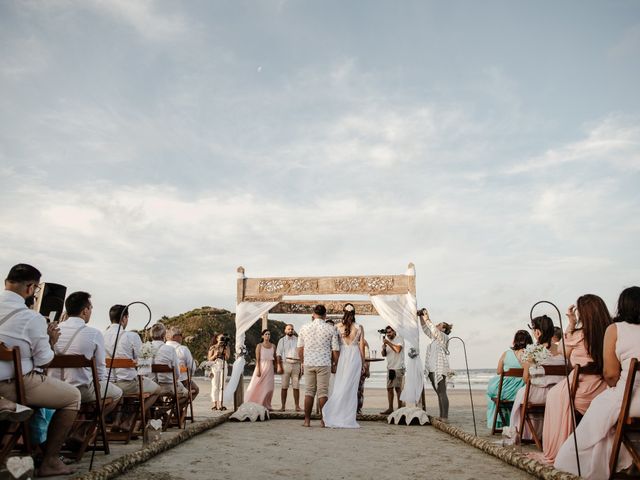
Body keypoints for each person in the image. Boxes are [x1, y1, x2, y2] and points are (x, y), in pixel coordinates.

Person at [0, 263, 80, 476]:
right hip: (11, 385)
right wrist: (51, 340)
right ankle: (50, 461)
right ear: (30, 288)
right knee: (73, 397)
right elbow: (44, 361)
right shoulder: (31, 318)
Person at [555, 286, 640, 478]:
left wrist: (615, 390)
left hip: (631, 400)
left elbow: (610, 374)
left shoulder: (616, 329)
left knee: (601, 413)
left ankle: (605, 463)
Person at [534, 294, 611, 464]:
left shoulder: (579, 335)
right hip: (605, 390)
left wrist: (571, 324)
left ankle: (560, 448)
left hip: (582, 392)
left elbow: (562, 350)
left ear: (583, 314)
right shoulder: (611, 332)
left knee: (555, 396)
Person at [49, 291, 123, 417]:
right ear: (84, 311)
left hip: (52, 388)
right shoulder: (94, 334)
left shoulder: (52, 330)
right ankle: (87, 429)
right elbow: (100, 370)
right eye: (90, 308)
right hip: (80, 390)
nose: (91, 312)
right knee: (117, 393)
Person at [508, 314, 565, 441]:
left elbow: (526, 378)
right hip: (560, 394)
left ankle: (524, 433)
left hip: (537, 395)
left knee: (521, 394)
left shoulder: (533, 351)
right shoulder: (563, 350)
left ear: (537, 332)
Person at [103, 304, 160, 423]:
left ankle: (117, 421)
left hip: (107, 385)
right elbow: (144, 366)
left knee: (128, 389)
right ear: (124, 318)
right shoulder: (132, 336)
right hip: (127, 384)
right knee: (157, 390)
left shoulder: (101, 336)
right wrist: (137, 361)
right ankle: (132, 419)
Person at [322, 303, 365, 428]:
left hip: (342, 357)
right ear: (354, 313)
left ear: (343, 312)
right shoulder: (359, 327)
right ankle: (348, 416)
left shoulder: (337, 327)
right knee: (351, 388)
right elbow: (361, 347)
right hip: (355, 357)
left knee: (339, 385)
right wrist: (363, 364)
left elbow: (334, 346)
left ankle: (336, 413)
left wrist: (333, 362)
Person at [297, 304, 340, 427]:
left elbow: (300, 348)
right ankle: (323, 420)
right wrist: (335, 364)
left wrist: (302, 361)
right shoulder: (331, 329)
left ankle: (307, 421)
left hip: (309, 362)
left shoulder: (304, 328)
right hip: (324, 363)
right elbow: (335, 350)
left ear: (313, 314)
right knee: (323, 393)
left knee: (309, 391)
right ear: (325, 315)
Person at [486, 329, 533, 429]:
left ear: (514, 341)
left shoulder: (506, 354)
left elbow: (499, 371)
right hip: (521, 390)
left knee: (491, 394)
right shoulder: (529, 355)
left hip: (504, 391)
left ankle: (501, 422)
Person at [420, 309, 452, 421]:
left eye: (439, 324)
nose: (437, 325)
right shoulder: (434, 338)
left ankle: (445, 417)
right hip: (432, 368)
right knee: (438, 393)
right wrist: (421, 317)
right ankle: (441, 416)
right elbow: (426, 329)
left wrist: (427, 318)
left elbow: (432, 328)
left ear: (443, 329)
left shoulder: (443, 336)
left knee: (442, 392)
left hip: (440, 368)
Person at [147, 323, 188, 409]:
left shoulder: (145, 348)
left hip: (149, 386)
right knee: (187, 394)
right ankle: (166, 409)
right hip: (167, 386)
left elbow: (142, 371)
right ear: (163, 335)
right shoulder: (170, 349)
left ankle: (160, 411)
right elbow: (177, 373)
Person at [245, 329, 276, 410]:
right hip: (261, 366)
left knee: (269, 387)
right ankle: (256, 403)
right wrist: (258, 369)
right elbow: (257, 359)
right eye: (266, 334)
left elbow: (275, 358)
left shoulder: (273, 346)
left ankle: (266, 405)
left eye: (269, 334)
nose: (267, 336)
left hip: (270, 367)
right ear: (262, 336)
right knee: (256, 385)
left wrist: (276, 367)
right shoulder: (259, 346)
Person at [166, 326, 199, 401]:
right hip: (180, 381)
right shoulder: (182, 349)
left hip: (163, 380)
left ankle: (178, 407)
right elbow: (192, 367)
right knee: (195, 389)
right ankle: (180, 407)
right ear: (174, 337)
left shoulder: (162, 348)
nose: (182, 337)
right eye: (181, 335)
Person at [380, 325, 405, 415]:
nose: (388, 334)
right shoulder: (387, 341)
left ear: (394, 331)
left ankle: (400, 408)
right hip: (390, 367)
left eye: (390, 332)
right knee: (389, 388)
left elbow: (398, 350)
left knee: (398, 389)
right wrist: (383, 349)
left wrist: (388, 343)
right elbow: (384, 354)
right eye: (387, 332)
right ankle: (390, 408)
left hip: (398, 367)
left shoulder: (399, 339)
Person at [276, 324, 301, 411]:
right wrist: (279, 366)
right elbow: (278, 354)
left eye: (292, 329)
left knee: (296, 386)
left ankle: (297, 406)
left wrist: (302, 366)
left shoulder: (298, 340)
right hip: (285, 364)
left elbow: (301, 353)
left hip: (296, 364)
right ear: (285, 330)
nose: (290, 330)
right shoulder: (281, 340)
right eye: (289, 329)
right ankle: (283, 406)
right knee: (284, 386)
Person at [207, 333, 230, 410]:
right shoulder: (213, 347)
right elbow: (209, 359)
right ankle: (214, 404)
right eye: (221, 338)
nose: (222, 339)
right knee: (215, 385)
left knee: (222, 385)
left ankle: (221, 403)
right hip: (215, 365)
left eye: (223, 338)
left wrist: (225, 351)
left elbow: (227, 358)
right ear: (217, 338)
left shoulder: (226, 347)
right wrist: (215, 355)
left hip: (223, 365)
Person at [357, 339, 371, 414]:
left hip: (361, 368)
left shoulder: (364, 342)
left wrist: (367, 369)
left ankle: (358, 408)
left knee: (359, 390)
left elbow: (367, 357)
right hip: (356, 368)